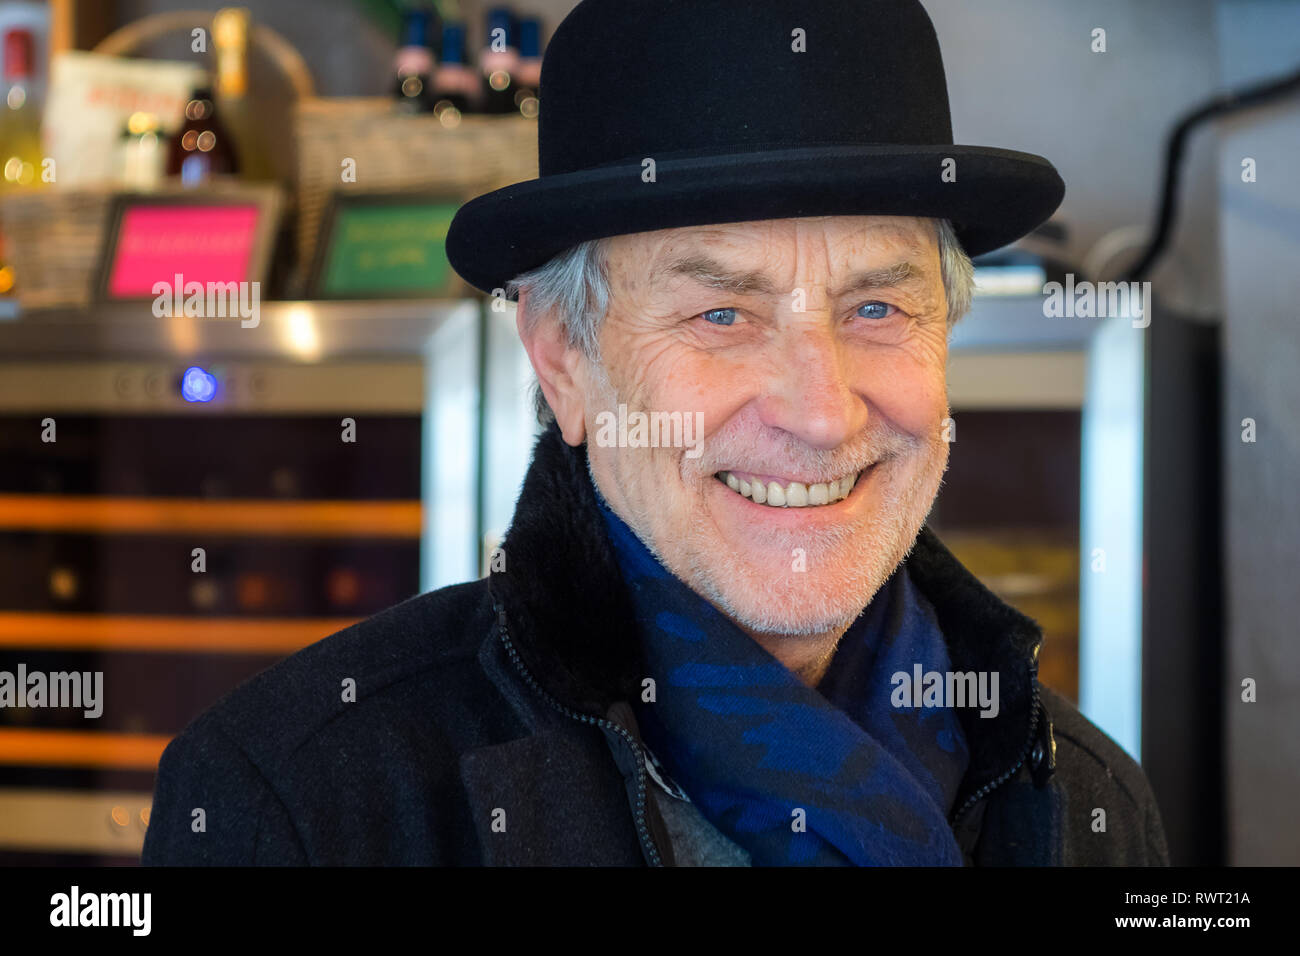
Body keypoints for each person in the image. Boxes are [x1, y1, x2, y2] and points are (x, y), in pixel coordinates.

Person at [142, 0, 1169, 866]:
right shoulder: (302, 805)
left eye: (877, 308)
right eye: (721, 314)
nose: (820, 411)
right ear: (563, 360)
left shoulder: (1086, 800)